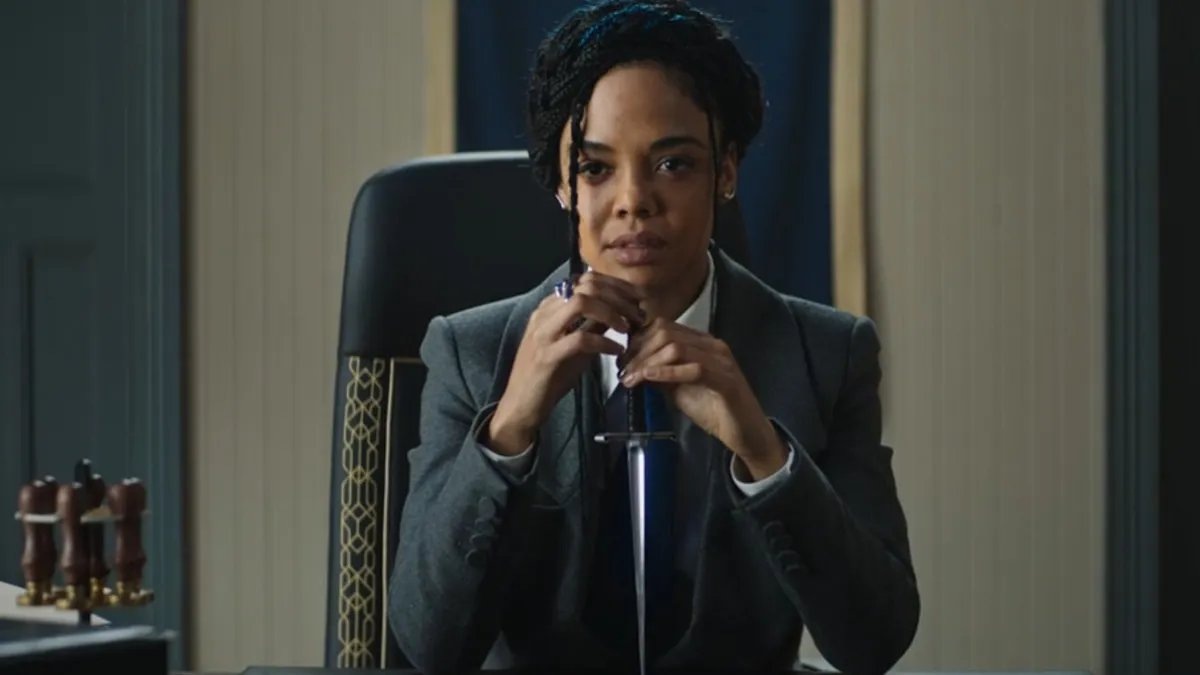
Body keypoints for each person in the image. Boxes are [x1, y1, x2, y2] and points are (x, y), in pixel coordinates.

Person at [388, 1, 919, 673]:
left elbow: (875, 643)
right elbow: (430, 645)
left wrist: (764, 452)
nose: (634, 199)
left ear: (726, 171)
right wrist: (511, 427)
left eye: (672, 164)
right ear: (562, 187)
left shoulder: (828, 354)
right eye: (595, 168)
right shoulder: (471, 353)